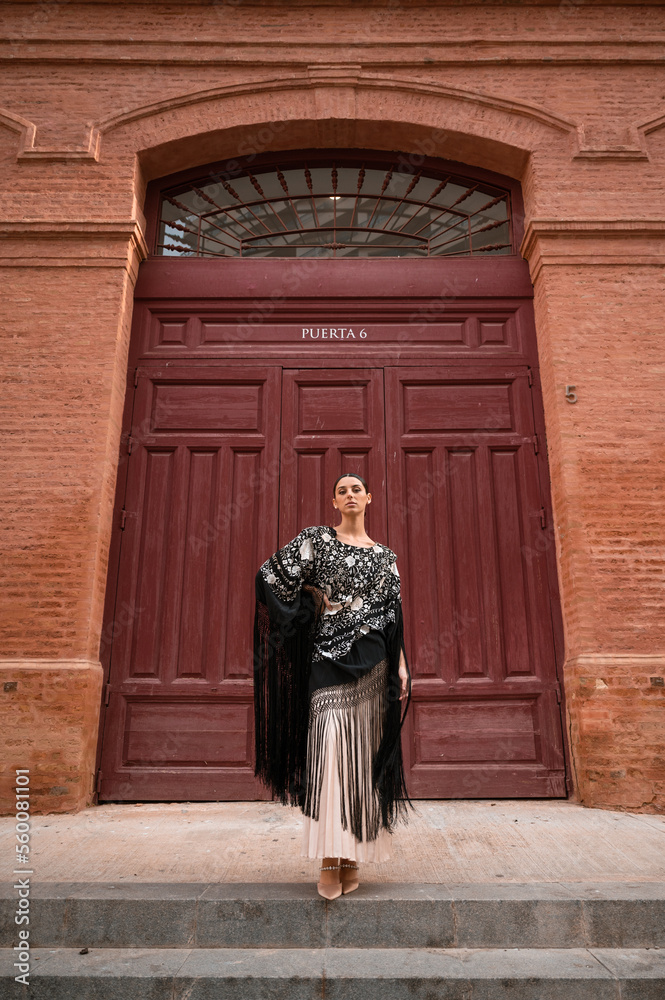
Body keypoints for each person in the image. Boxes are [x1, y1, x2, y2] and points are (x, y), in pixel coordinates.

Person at [253, 473, 413, 899]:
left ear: (370, 499)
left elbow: (394, 617)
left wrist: (402, 666)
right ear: (333, 502)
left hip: (376, 669)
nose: (349, 495)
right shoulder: (317, 541)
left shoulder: (386, 557)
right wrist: (308, 598)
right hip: (327, 662)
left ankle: (352, 856)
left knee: (361, 763)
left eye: (356, 489)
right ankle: (329, 858)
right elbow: (269, 577)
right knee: (330, 756)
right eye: (342, 490)